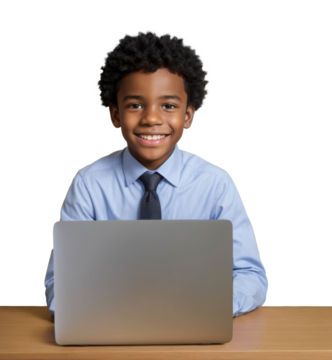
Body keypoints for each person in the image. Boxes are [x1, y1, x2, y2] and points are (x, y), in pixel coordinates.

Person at [42, 29, 269, 318]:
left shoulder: (216, 184)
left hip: (195, 322)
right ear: (115, 115)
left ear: (188, 115)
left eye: (168, 106)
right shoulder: (89, 185)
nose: (151, 118)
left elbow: (251, 275)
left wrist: (211, 307)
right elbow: (59, 281)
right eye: (135, 105)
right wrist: (92, 310)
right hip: (110, 323)